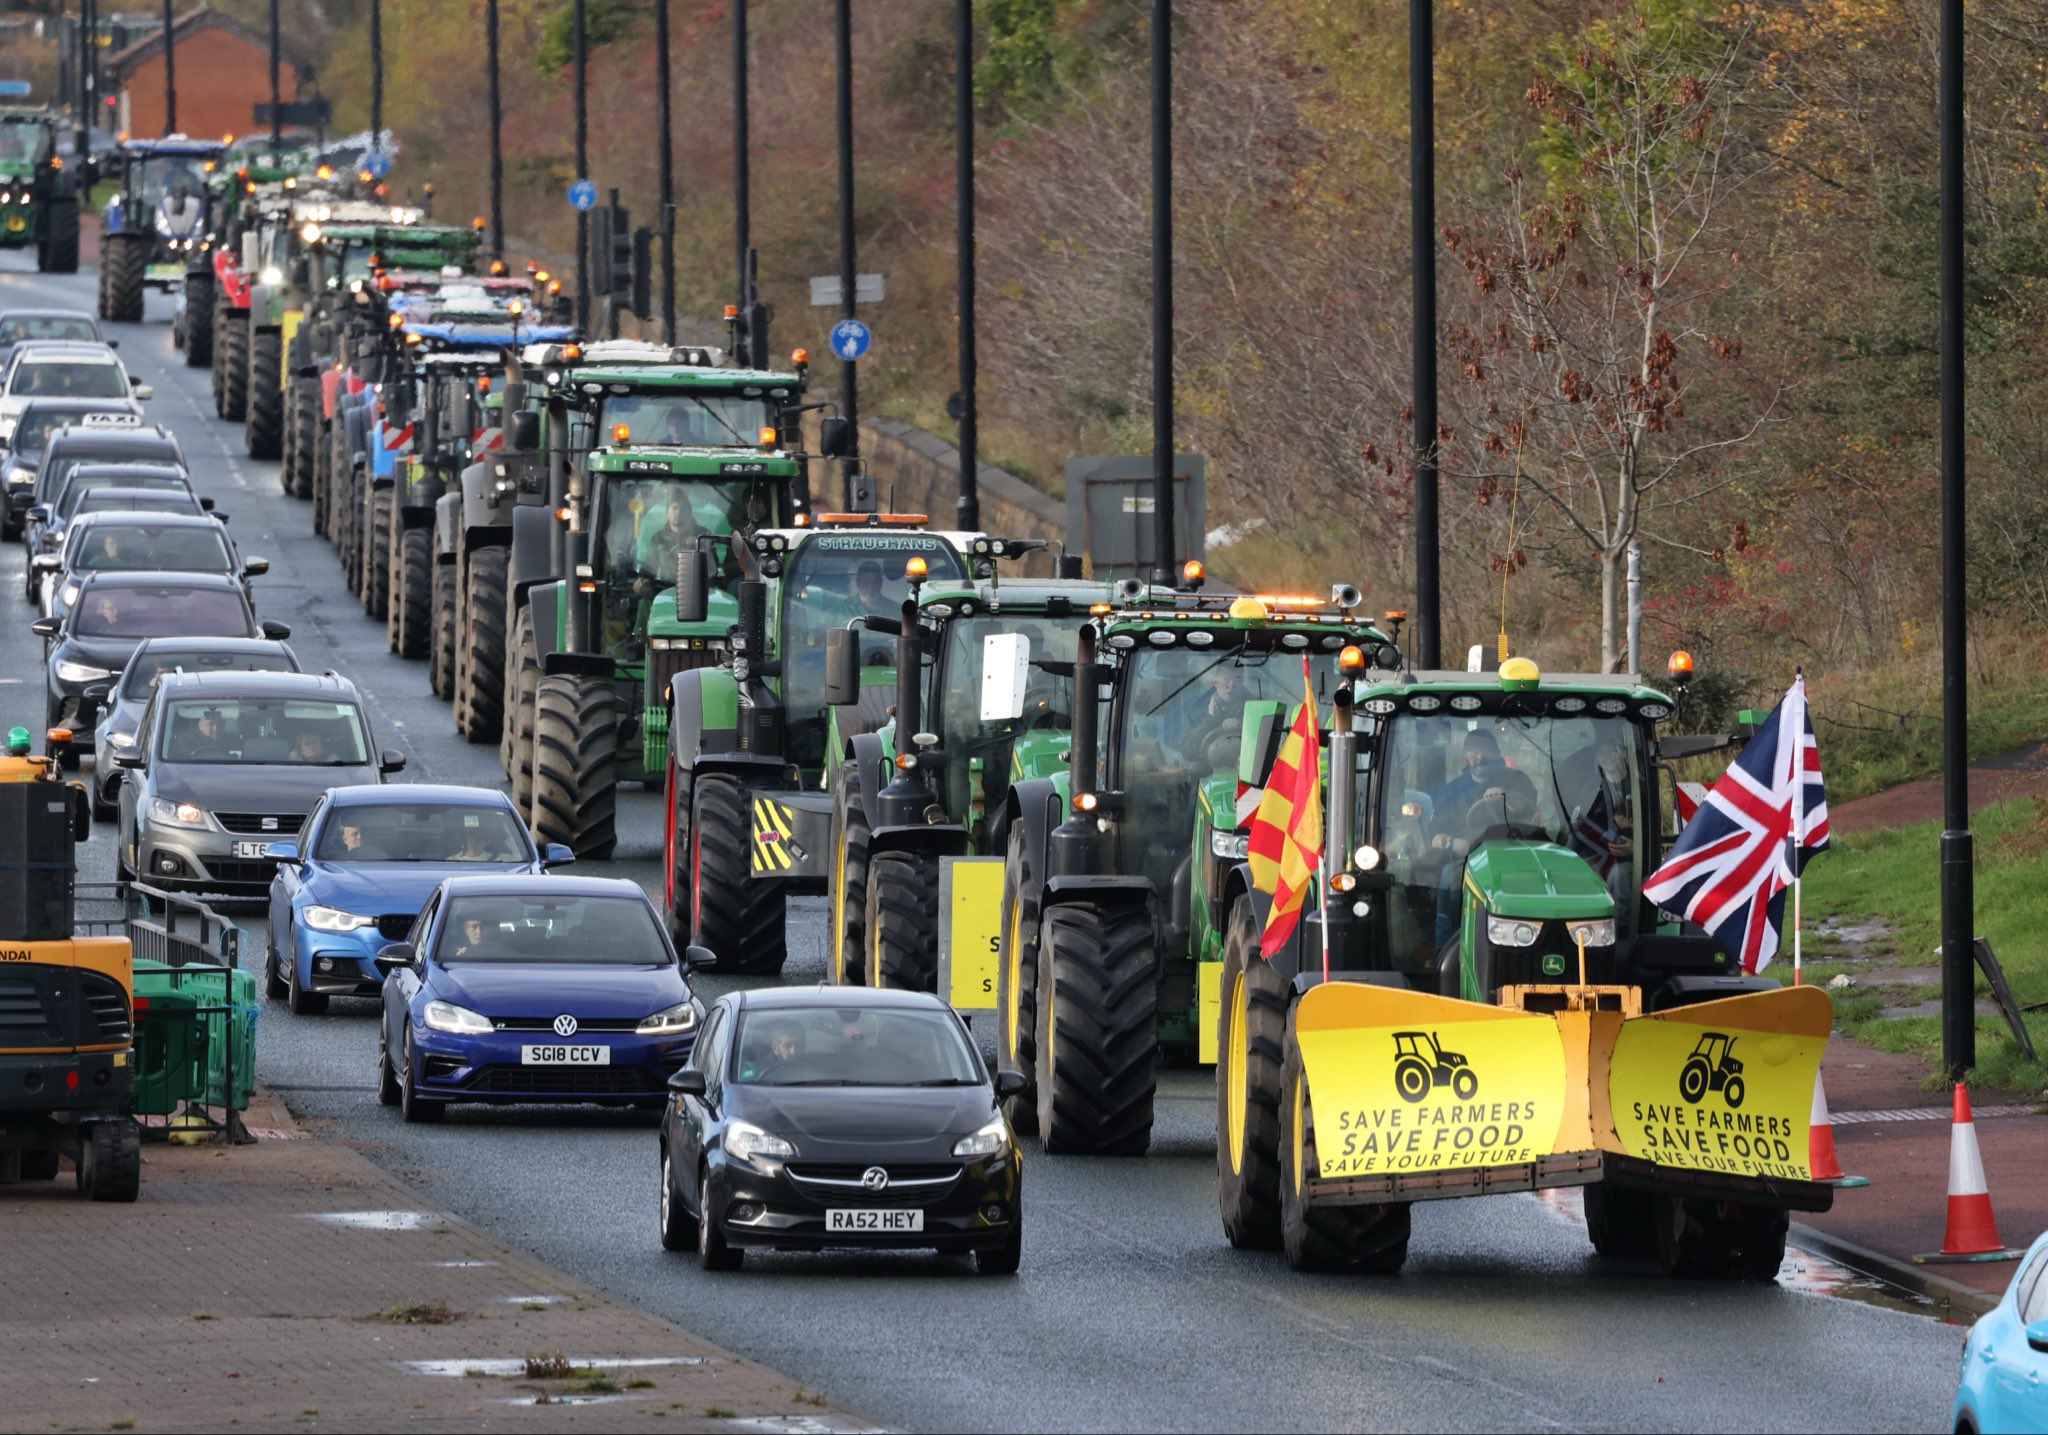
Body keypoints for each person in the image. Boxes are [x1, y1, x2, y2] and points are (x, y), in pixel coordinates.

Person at [639, 494, 693, 587]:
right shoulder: (659, 538)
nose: (678, 512)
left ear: (689, 513)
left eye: (683, 508)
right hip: (665, 589)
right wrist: (642, 579)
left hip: (695, 588)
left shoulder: (702, 536)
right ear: (667, 512)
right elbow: (650, 564)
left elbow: (711, 568)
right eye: (675, 508)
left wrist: (697, 546)